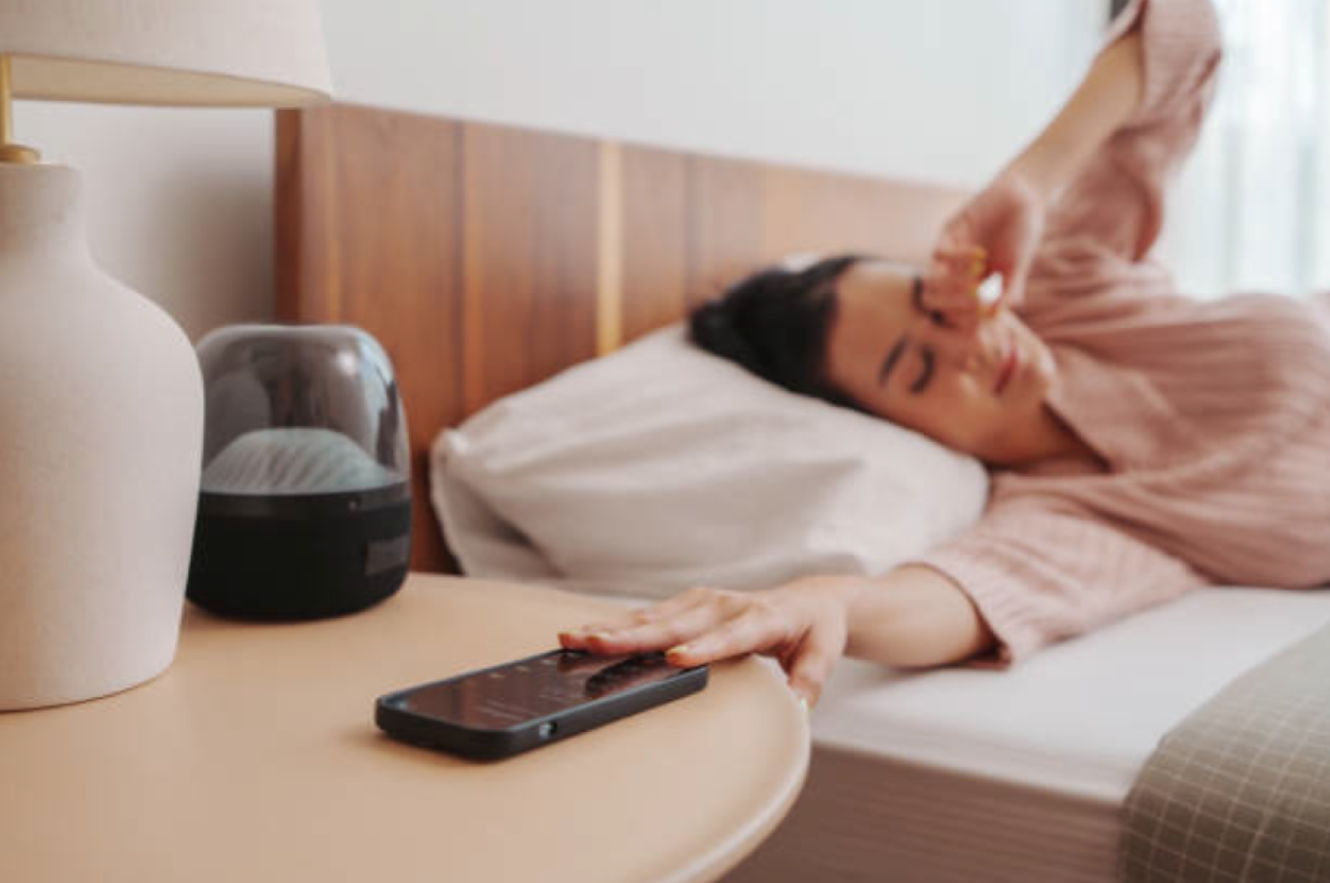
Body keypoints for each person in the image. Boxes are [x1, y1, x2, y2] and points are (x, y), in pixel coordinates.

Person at [560, 0, 1330, 707]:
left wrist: (1030, 179)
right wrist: (824, 599)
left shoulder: (1066, 287)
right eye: (921, 372)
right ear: (903, 430)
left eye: (941, 309)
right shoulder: (1072, 513)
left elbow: (1187, 31)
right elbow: (959, 595)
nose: (973, 345)